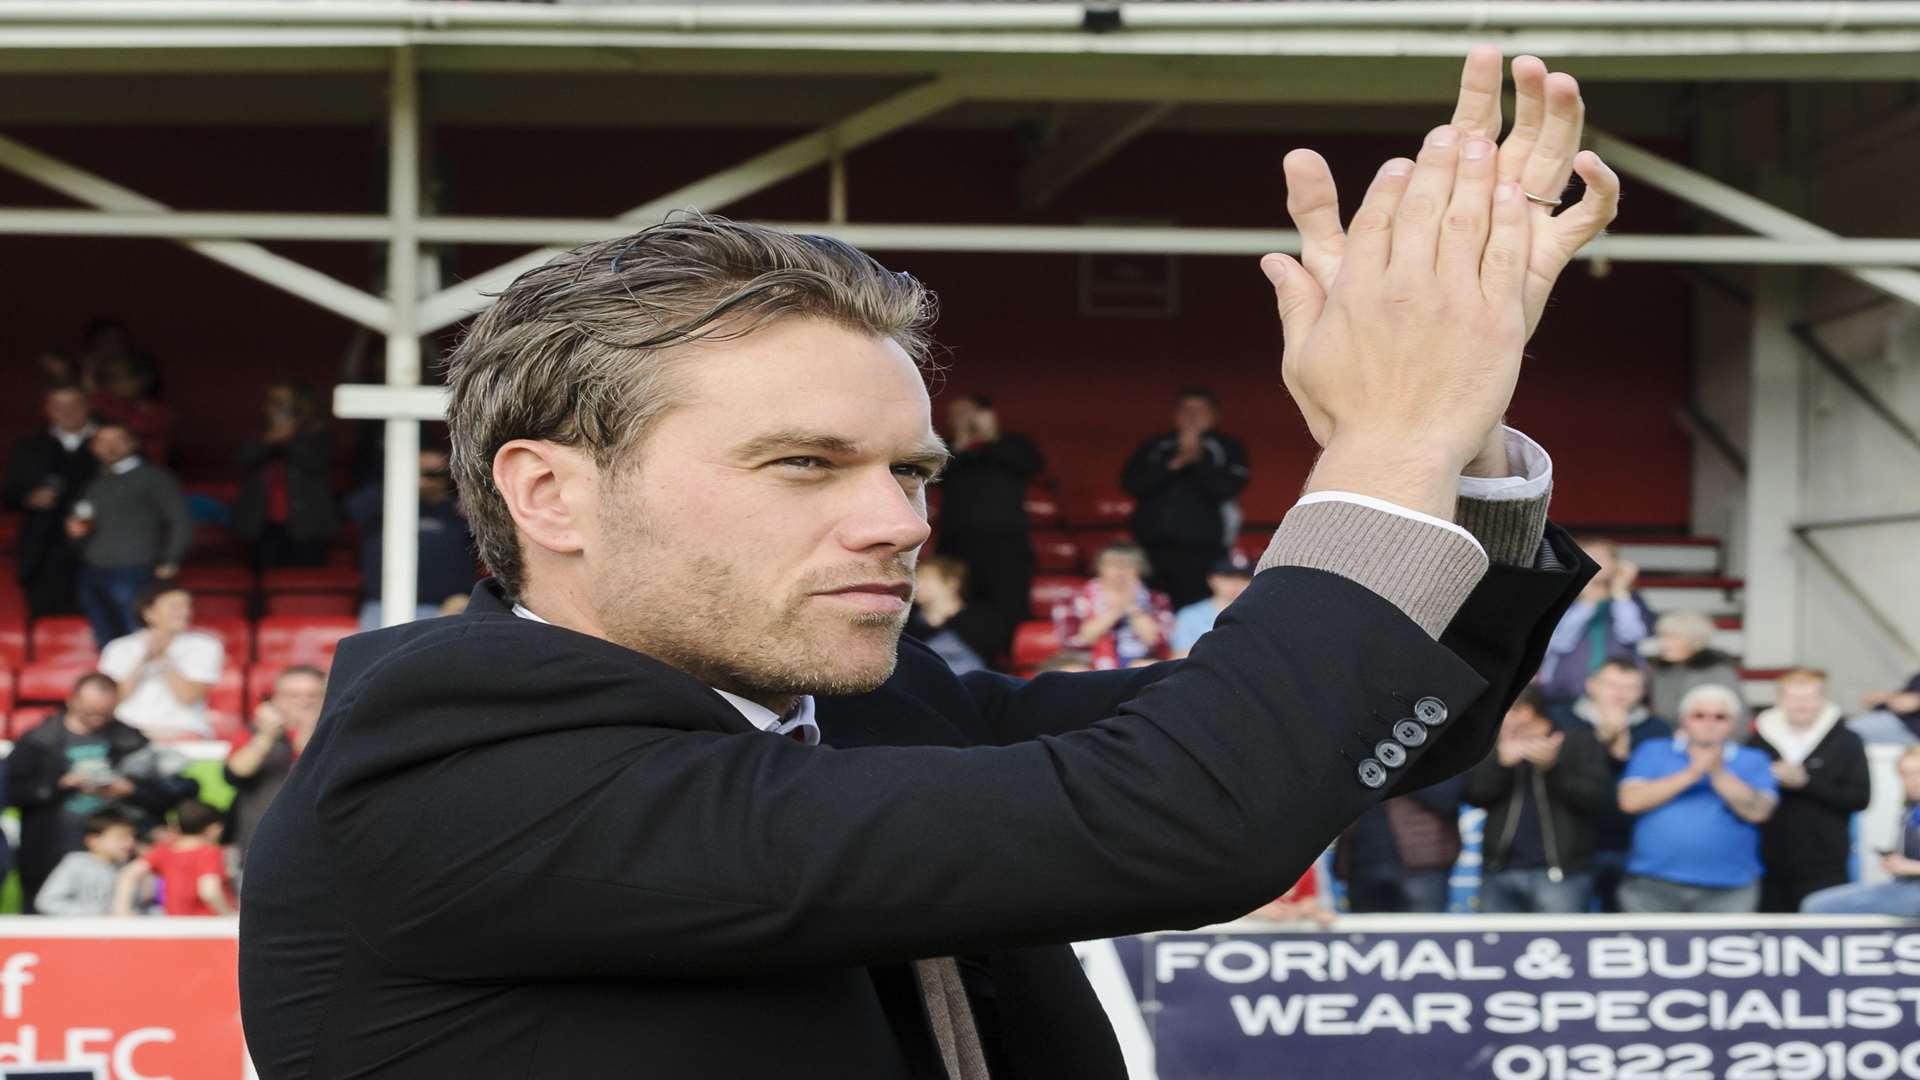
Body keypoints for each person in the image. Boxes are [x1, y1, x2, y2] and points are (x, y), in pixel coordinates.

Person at [240, 46, 1622, 1077]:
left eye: (909, 469)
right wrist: (1382, 445)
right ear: (548, 491)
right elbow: (1195, 819)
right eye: (804, 464)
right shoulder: (452, 764)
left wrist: (1456, 451)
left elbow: (1350, 731)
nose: (900, 520)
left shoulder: (878, 705)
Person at [5, 673, 188, 914]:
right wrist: (58, 784)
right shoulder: (38, 740)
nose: (97, 718)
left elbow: (168, 794)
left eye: (105, 712)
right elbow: (14, 792)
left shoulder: (130, 740)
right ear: (72, 701)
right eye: (90, 710)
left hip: (116, 859)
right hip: (48, 852)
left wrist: (130, 789)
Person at [1616, 684, 1777, 913]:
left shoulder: (1753, 759)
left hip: (1730, 888)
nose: (1709, 723)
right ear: (1684, 720)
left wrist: (1717, 772)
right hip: (1651, 884)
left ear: (1733, 723)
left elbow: (1758, 812)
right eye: (1699, 715)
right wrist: (1692, 773)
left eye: (1720, 717)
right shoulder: (1652, 751)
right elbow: (1630, 802)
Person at [1466, 685, 1614, 913]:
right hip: (1499, 870)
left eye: (1502, 710)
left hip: (1560, 873)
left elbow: (1595, 799)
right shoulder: (1493, 744)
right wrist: (1500, 765)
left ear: (1524, 713)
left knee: (1562, 946)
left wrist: (1552, 768)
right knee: (1495, 947)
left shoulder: (1578, 741)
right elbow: (1474, 796)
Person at [1746, 668, 1871, 913]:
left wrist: (1806, 782)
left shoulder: (1847, 741)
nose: (1802, 705)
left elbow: (1860, 798)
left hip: (1826, 863)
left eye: (1810, 696)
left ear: (1823, 698)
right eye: (1794, 697)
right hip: (1767, 863)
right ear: (1779, 699)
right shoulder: (1757, 741)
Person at [1549, 658, 1670, 910]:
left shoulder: (1657, 729)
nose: (1619, 693)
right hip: (1569, 847)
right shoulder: (1558, 719)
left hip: (1634, 846)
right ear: (1591, 685)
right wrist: (1599, 745)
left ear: (1642, 692)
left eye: (1629, 687)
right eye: (1612, 684)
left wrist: (1623, 756)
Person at [1119, 388, 1250, 609]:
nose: (1192, 416)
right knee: (1151, 608)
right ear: (1175, 415)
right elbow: (1132, 483)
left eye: (1200, 411)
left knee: (1195, 609)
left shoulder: (1228, 448)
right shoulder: (1157, 446)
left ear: (1214, 417)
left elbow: (1227, 488)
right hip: (1152, 547)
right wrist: (1175, 463)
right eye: (1186, 410)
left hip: (1204, 549)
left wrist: (1198, 460)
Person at [67, 421, 192, 648]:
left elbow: (180, 519)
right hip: (94, 570)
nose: (110, 447)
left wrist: (171, 560)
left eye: (118, 440)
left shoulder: (154, 477)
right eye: (103, 441)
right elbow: (84, 525)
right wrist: (77, 534)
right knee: (107, 644)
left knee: (139, 638)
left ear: (132, 443)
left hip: (136, 569)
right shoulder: (94, 481)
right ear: (93, 447)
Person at [935, 393, 1045, 649]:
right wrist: (962, 442)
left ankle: (1002, 662)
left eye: (966, 412)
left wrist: (989, 436)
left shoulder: (1012, 445)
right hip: (957, 543)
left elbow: (1031, 464)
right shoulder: (946, 449)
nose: (960, 418)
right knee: (957, 603)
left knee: (1007, 605)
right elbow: (936, 475)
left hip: (1006, 544)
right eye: (956, 414)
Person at [346, 447, 476, 628]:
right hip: (383, 606)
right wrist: (401, 481)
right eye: (418, 470)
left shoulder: (459, 511)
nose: (426, 478)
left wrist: (465, 597)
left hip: (447, 608)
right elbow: (353, 511)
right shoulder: (383, 503)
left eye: (434, 473)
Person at [2, 384, 98, 617]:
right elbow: (8, 492)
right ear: (47, 410)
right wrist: (28, 498)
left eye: (73, 405)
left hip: (99, 551)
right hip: (43, 553)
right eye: (58, 406)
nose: (66, 412)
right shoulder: (30, 446)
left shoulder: (111, 442)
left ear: (87, 407)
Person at [230, 383, 342, 569]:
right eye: (272, 403)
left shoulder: (318, 435)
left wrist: (289, 440)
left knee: (305, 583)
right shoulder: (259, 436)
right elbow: (243, 460)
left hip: (308, 526)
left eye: (281, 403)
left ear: (300, 407)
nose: (273, 409)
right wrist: (268, 441)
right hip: (263, 525)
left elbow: (315, 463)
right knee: (267, 580)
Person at [96, 582, 224, 741]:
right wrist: (143, 660)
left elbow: (188, 696)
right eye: (174, 606)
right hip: (126, 733)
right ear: (148, 613)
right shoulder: (118, 648)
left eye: (187, 606)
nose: (184, 612)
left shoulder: (206, 646)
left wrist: (163, 659)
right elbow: (111, 700)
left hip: (182, 731)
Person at [225, 665, 325, 865]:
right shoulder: (255, 732)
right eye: (293, 696)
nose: (304, 702)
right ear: (276, 699)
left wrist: (310, 731)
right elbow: (236, 773)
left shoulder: (339, 733)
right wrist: (266, 736)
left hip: (320, 848)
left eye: (313, 695)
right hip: (262, 849)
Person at [1802, 747, 1920, 916]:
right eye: (1906, 774)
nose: (1913, 780)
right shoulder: (1910, 811)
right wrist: (1896, 862)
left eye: (1918, 772)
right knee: (1815, 905)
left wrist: (1910, 867)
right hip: (1904, 886)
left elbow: (1910, 866)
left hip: (1914, 893)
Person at [1536, 537, 1655, 704]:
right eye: (1590, 555)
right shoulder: (1564, 595)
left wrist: (1620, 592)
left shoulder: (1629, 598)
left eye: (1603, 557)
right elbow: (1558, 641)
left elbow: (1632, 635)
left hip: (1619, 688)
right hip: (1568, 687)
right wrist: (1587, 603)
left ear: (1616, 564)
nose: (1596, 561)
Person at [1335, 778, 1465, 913]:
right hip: (1362, 864)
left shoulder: (1436, 757)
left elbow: (1446, 798)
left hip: (1421, 865)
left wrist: (1397, 767)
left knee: (1421, 933)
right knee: (1367, 933)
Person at [1053, 542, 1174, 670]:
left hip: (1139, 660)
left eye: (1128, 565)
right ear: (1099, 567)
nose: (1120, 571)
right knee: (1074, 671)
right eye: (1113, 564)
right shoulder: (1073, 597)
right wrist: (1117, 608)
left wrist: (1133, 607)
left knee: (1146, 667)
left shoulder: (1157, 599)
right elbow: (1077, 640)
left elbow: (1157, 641)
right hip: (1087, 661)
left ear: (1140, 569)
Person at [112, 798, 235, 917]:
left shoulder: (163, 851)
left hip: (174, 923)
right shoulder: (209, 852)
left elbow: (128, 874)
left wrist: (122, 912)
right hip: (208, 925)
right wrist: (228, 916)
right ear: (213, 828)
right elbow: (209, 891)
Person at [35, 811, 137, 916]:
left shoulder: (132, 868)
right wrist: (98, 914)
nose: (130, 843)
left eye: (132, 837)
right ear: (93, 840)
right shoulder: (75, 863)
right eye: (121, 837)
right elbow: (47, 902)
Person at [1645, 610, 1741, 722]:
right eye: (1662, 637)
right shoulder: (1661, 673)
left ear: (1695, 640)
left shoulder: (1719, 673)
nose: (1664, 643)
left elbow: (1737, 717)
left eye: (1673, 637)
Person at [904, 557, 995, 675]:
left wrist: (948, 619)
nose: (917, 585)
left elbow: (991, 652)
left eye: (926, 578)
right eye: (915, 579)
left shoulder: (979, 618)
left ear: (952, 583)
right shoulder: (907, 621)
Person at [1169, 556, 1252, 658]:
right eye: (1228, 577)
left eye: (1243, 578)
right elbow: (1179, 657)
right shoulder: (1190, 615)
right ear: (1212, 580)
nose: (1236, 584)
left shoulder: (1258, 615)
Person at [1850, 671, 1920, 745]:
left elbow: (1907, 703)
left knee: (1847, 734)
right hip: (1895, 720)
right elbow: (1902, 700)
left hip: (1907, 729)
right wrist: (1884, 699)